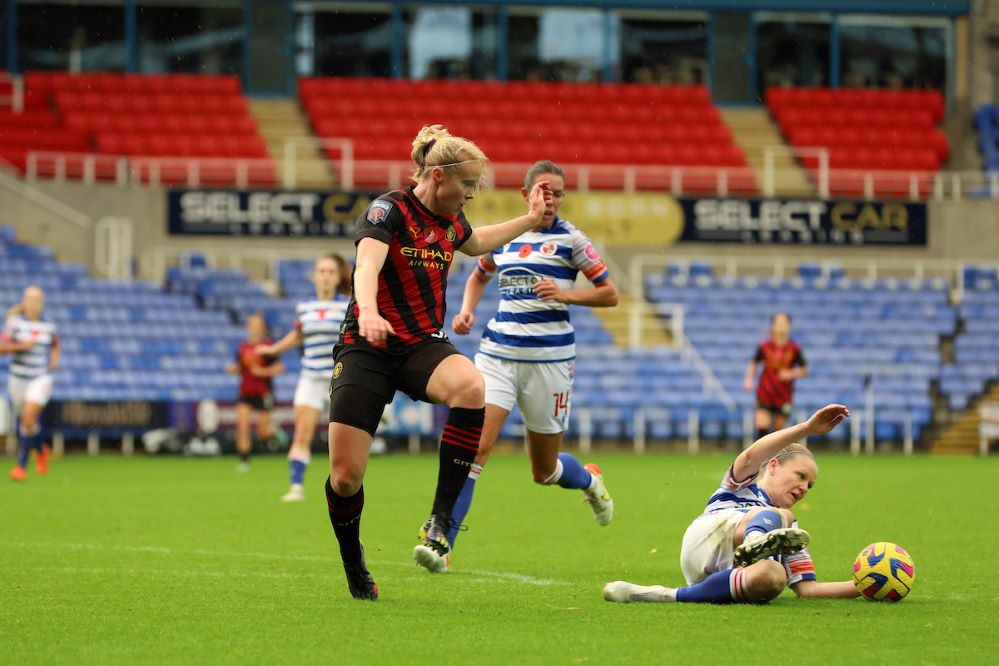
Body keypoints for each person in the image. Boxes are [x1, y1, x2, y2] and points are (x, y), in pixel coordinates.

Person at [324, 124, 553, 601]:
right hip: (367, 344)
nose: (471, 194)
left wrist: (529, 220)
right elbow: (365, 266)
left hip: (421, 345)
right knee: (346, 477)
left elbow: (477, 240)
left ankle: (441, 521)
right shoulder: (389, 209)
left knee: (472, 387)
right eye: (467, 184)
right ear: (437, 175)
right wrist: (367, 312)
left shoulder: (452, 222)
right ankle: (353, 561)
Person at [446, 160, 618, 561]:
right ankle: (443, 543)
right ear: (527, 195)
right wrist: (468, 309)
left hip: (549, 361)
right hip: (498, 353)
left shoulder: (572, 240)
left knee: (543, 472)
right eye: (543, 190)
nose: (551, 199)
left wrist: (566, 295)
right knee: (474, 449)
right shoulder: (506, 236)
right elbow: (479, 273)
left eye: (558, 193)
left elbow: (609, 293)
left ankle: (590, 480)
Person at [603, 403, 861, 604]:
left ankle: (667, 595)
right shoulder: (742, 486)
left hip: (715, 577)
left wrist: (865, 585)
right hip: (707, 537)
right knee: (783, 517)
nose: (805, 487)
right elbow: (750, 455)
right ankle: (754, 541)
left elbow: (807, 590)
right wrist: (806, 429)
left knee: (773, 577)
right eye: (800, 476)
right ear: (772, 466)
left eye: (810, 485)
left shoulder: (789, 533)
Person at [257, 253, 350, 502]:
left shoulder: (347, 306)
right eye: (322, 271)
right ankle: (296, 487)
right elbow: (297, 336)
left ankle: (344, 487)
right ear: (314, 277)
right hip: (310, 377)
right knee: (302, 433)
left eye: (331, 272)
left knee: (343, 440)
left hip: (338, 379)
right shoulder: (304, 307)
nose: (326, 276)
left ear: (339, 276)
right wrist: (273, 349)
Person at [1, 286, 59, 482]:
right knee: (28, 422)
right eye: (29, 300)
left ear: (41, 303)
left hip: (39, 377)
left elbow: (55, 344)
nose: (33, 304)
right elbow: (1, 348)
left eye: (36, 300)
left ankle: (21, 466)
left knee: (27, 417)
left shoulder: (49, 326)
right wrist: (21, 346)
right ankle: (40, 448)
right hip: (17, 378)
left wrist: (54, 360)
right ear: (24, 302)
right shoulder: (14, 324)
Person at [227, 312, 284, 472]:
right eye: (253, 326)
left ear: (263, 329)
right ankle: (244, 461)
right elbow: (242, 368)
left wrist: (263, 372)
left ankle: (275, 432)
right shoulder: (242, 348)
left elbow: (279, 368)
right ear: (248, 328)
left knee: (262, 432)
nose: (255, 329)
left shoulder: (268, 348)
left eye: (258, 326)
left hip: (264, 392)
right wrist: (234, 370)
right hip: (246, 392)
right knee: (242, 426)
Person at [743, 312, 808, 438]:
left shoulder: (794, 348)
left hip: (784, 394)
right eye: (778, 323)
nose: (781, 326)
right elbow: (754, 362)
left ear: (789, 326)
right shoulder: (765, 346)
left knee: (778, 432)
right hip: (765, 392)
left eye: (784, 323)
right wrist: (748, 379)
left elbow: (804, 370)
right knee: (761, 426)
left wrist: (791, 373)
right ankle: (760, 457)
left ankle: (775, 457)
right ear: (773, 326)